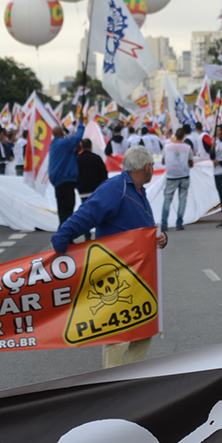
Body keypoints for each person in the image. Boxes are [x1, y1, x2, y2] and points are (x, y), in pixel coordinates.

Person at [51, 145, 167, 368]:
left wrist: (160, 238)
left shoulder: (137, 189)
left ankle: (135, 379)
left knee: (143, 331)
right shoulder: (116, 188)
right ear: (147, 167)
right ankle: (113, 382)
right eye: (152, 166)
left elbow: (142, 227)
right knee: (118, 336)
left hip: (139, 277)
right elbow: (85, 215)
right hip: (117, 275)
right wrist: (62, 239)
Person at [49, 118, 85, 226]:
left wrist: (75, 152)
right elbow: (78, 138)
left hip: (58, 181)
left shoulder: (54, 145)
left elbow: (67, 157)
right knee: (68, 208)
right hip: (66, 180)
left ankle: (63, 230)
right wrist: (81, 124)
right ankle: (66, 231)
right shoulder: (63, 143)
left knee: (62, 209)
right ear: (62, 133)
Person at [160, 127, 193, 232]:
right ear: (184, 136)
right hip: (184, 176)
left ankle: (164, 224)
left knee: (167, 200)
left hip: (171, 176)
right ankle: (179, 223)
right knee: (182, 200)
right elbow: (191, 163)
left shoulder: (167, 147)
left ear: (175, 135)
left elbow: (163, 161)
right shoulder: (188, 147)